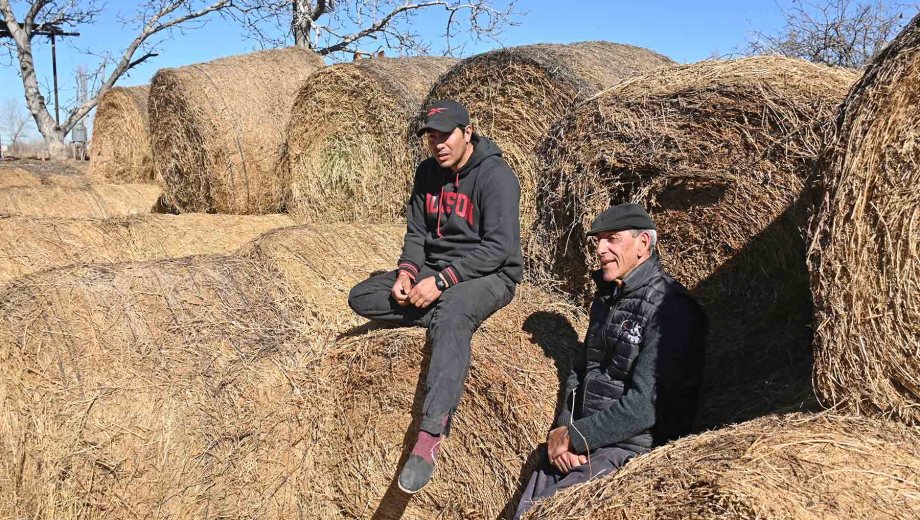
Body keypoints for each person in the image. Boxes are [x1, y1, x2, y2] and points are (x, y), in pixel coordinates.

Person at [348, 99, 522, 494]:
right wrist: (408, 274)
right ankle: (438, 316)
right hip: (436, 271)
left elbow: (500, 248)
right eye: (431, 137)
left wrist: (443, 282)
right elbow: (415, 234)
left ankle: (429, 438)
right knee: (362, 296)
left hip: (490, 274)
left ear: (468, 132)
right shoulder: (427, 173)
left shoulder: (496, 177)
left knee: (455, 312)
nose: (438, 144)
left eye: (445, 135)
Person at [514, 203, 707, 518]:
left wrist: (577, 438)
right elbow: (579, 372)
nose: (600, 249)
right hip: (585, 440)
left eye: (611, 239)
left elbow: (646, 406)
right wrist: (565, 429)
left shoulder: (671, 310)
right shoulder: (606, 300)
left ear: (643, 244)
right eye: (598, 240)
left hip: (630, 449)